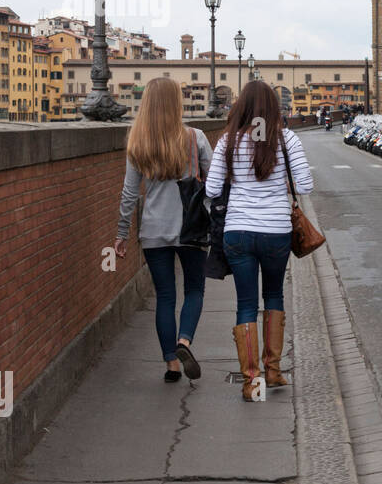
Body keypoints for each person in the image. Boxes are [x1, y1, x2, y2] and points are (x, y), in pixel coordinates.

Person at [206, 80, 313, 401]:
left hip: (237, 232)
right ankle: (274, 370)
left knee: (246, 304)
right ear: (273, 108)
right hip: (276, 232)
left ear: (241, 107)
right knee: (274, 296)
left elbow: (211, 191)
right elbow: (305, 185)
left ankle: (251, 381)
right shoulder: (286, 139)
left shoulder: (228, 142)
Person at [116, 78, 212, 382]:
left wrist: (120, 234)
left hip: (154, 230)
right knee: (194, 289)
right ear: (176, 103)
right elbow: (215, 182)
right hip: (191, 228)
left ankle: (171, 364)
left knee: (165, 297)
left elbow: (129, 194)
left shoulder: (138, 141)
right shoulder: (194, 138)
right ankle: (184, 341)